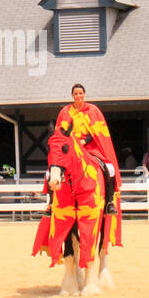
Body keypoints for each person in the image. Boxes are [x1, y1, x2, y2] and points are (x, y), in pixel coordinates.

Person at [55, 83, 121, 214]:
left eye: (80, 93)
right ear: (72, 96)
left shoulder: (92, 110)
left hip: (90, 147)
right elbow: (60, 132)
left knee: (110, 168)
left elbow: (97, 130)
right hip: (71, 150)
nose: (78, 96)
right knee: (52, 171)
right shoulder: (65, 111)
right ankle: (51, 203)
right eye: (76, 94)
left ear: (84, 94)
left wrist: (84, 141)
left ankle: (109, 201)